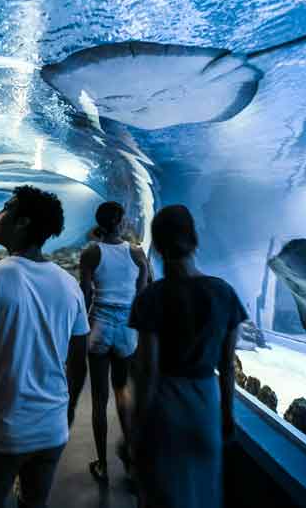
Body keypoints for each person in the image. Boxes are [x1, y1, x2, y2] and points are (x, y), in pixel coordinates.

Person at [0, 185, 90, 508]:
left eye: (6, 208)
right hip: (52, 430)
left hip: (0, 432)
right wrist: (66, 413)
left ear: (23, 222)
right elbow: (79, 359)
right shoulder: (70, 286)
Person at [128, 205, 245, 508]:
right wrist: (227, 416)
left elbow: (147, 371)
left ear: (157, 247)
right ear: (194, 240)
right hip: (205, 405)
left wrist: (137, 427)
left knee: (161, 494)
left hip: (164, 405)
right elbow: (228, 367)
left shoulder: (150, 298)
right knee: (203, 493)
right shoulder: (224, 294)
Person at [76, 201, 149, 482]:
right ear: (122, 222)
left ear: (98, 223)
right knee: (122, 392)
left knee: (98, 399)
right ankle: (131, 462)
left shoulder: (91, 252)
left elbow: (84, 295)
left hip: (99, 326)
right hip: (126, 330)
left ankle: (103, 465)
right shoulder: (137, 253)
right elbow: (142, 296)